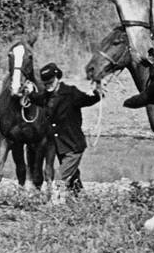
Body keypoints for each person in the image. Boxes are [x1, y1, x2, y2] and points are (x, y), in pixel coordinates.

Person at [28, 63, 102, 199]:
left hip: (73, 146)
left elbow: (89, 100)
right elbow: (38, 99)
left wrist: (98, 92)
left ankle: (57, 200)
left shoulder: (70, 93)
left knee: (59, 178)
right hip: (61, 146)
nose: (48, 86)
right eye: (45, 84)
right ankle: (81, 198)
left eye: (50, 82)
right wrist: (29, 93)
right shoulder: (46, 96)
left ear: (57, 78)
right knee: (73, 177)